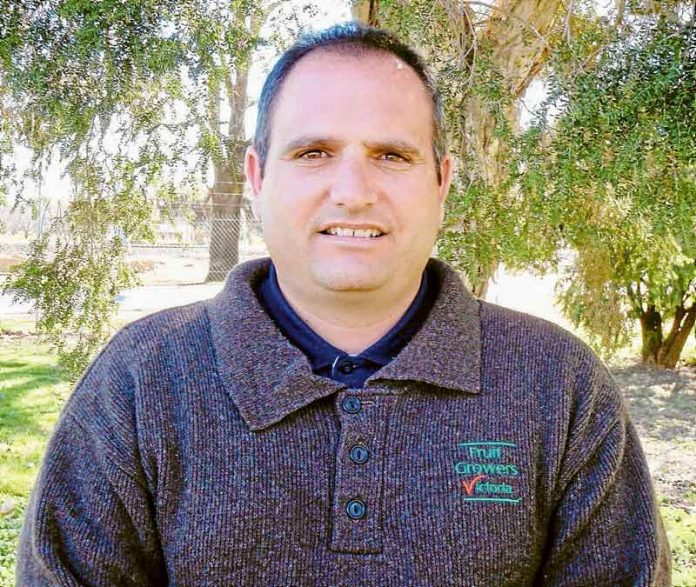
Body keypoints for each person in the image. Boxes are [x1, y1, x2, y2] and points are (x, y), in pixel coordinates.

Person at [17, 22, 670, 586]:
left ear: (441, 182)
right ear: (258, 178)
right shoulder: (137, 381)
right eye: (314, 152)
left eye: (391, 154)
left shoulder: (559, 384)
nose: (353, 192)